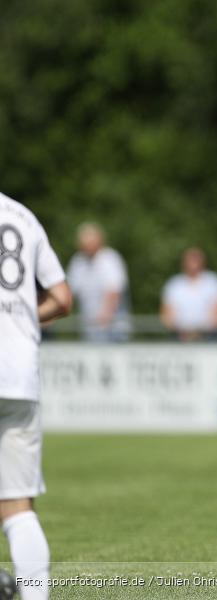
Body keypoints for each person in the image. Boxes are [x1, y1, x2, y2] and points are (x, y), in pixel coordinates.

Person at [0, 191, 73, 599]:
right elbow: (62, 298)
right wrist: (25, 310)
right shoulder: (23, 217)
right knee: (18, 509)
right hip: (17, 374)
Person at [66, 222, 130, 341]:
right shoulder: (78, 261)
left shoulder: (110, 259)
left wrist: (104, 318)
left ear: (99, 241)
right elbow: (69, 292)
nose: (86, 246)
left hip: (113, 331)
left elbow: (114, 292)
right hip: (88, 329)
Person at [160, 247, 217, 342]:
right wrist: (182, 332)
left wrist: (201, 333)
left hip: (210, 337)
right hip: (179, 337)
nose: (193, 263)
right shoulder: (174, 284)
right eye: (190, 259)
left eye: (196, 259)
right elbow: (166, 315)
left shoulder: (214, 282)